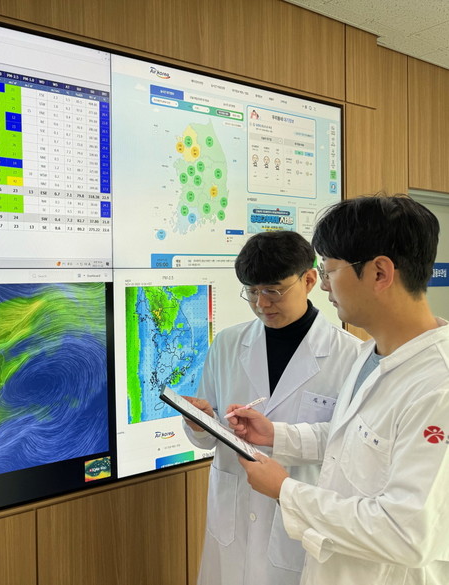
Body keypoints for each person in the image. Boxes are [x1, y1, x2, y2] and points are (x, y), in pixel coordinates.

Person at [231, 195, 449, 584]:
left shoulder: (438, 385)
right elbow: (352, 441)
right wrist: (276, 435)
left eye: (329, 270)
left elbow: (407, 533)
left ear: (380, 273)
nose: (324, 285)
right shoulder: (371, 355)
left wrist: (286, 491)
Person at [183, 230, 361, 585]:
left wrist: (280, 437)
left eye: (273, 291)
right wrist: (201, 424)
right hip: (232, 520)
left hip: (298, 525)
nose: (262, 303)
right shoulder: (228, 343)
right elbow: (207, 438)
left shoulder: (350, 355)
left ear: (309, 280)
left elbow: (351, 445)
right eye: (252, 291)